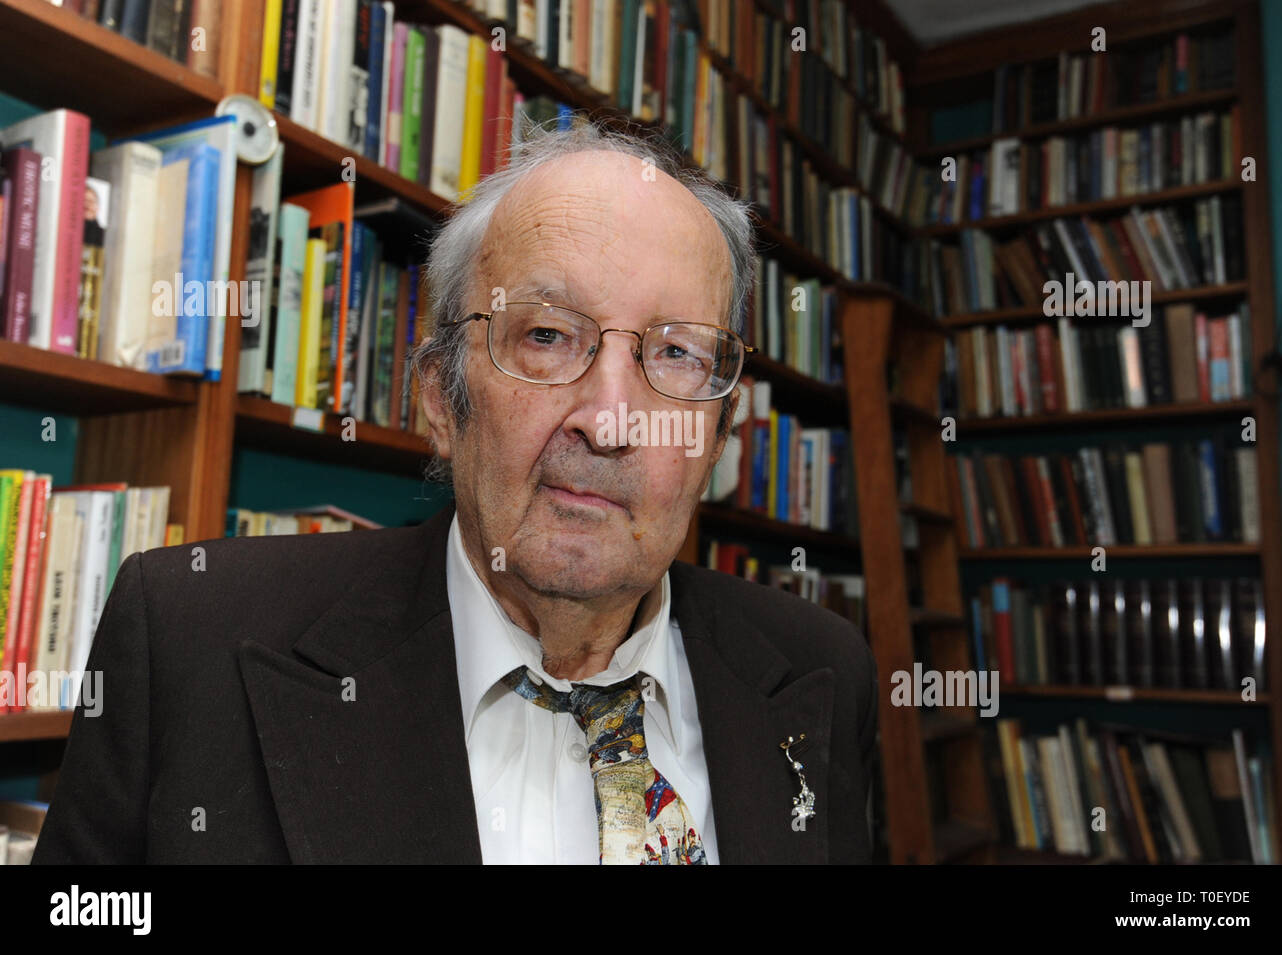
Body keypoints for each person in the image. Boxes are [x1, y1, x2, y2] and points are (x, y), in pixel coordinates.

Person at [32, 118, 879, 865]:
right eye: (547, 336)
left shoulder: (821, 672)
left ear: (719, 436)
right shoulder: (187, 638)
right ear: (441, 397)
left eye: (675, 354)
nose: (612, 420)